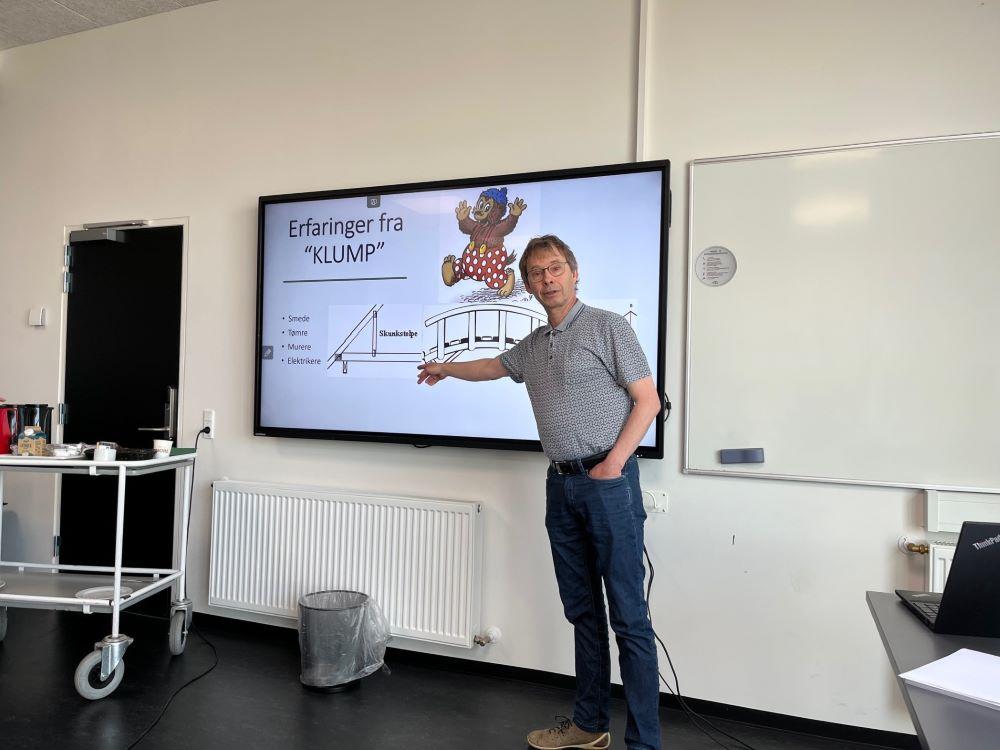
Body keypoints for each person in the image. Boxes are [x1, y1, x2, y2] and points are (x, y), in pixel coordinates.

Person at [418, 234, 662, 750]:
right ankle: (589, 725)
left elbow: (648, 400)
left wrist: (614, 464)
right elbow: (493, 366)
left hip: (608, 486)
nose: (547, 279)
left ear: (574, 272)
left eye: (555, 268)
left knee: (629, 620)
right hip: (561, 486)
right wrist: (445, 368)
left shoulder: (608, 327)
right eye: (535, 273)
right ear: (527, 285)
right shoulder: (534, 344)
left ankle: (644, 744)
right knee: (583, 614)